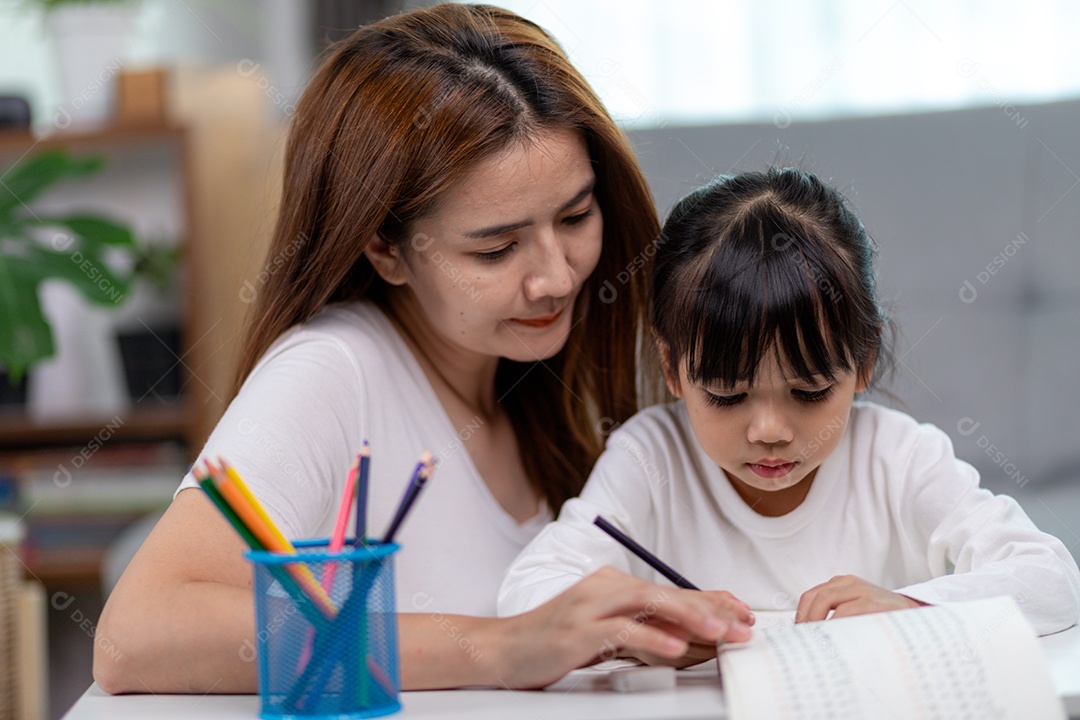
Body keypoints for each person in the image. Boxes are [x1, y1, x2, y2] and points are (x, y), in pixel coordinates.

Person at [94, 3, 753, 695]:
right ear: (386, 248)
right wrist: (501, 648)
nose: (557, 277)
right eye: (497, 248)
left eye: (576, 217)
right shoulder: (332, 368)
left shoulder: (526, 373)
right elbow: (131, 635)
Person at [498, 166, 1080, 652]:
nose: (771, 431)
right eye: (727, 396)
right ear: (673, 367)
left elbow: (1051, 581)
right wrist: (643, 625)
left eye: (809, 393)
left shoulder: (899, 456)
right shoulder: (649, 457)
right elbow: (527, 591)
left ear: (864, 361)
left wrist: (910, 607)